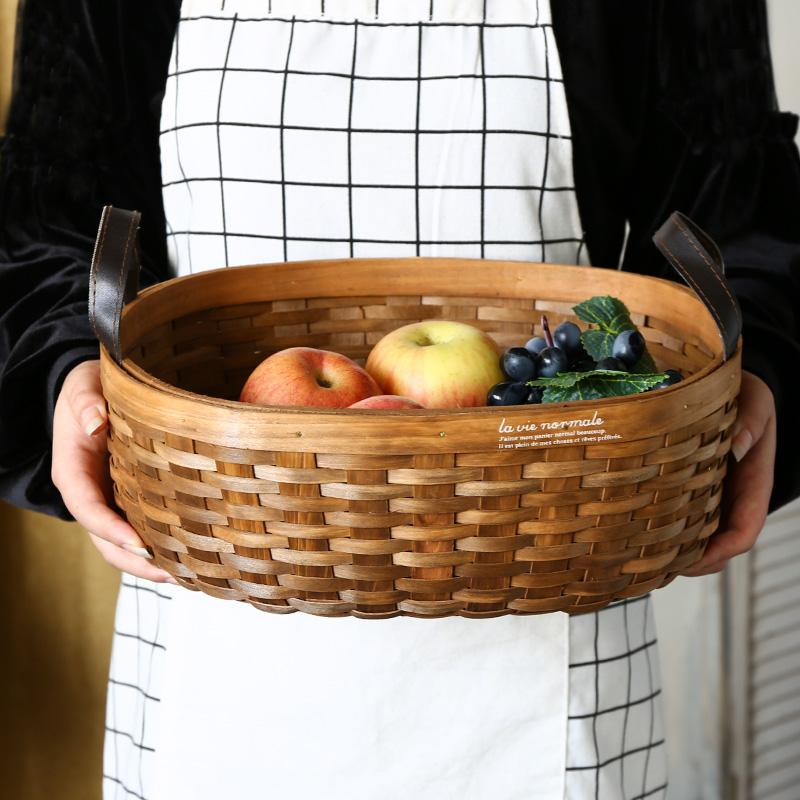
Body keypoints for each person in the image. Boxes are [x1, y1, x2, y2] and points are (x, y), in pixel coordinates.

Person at [1, 0, 798, 798]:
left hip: (557, 641)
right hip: (214, 647)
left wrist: (758, 364)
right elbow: (52, 212)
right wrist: (64, 372)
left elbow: (732, 211)